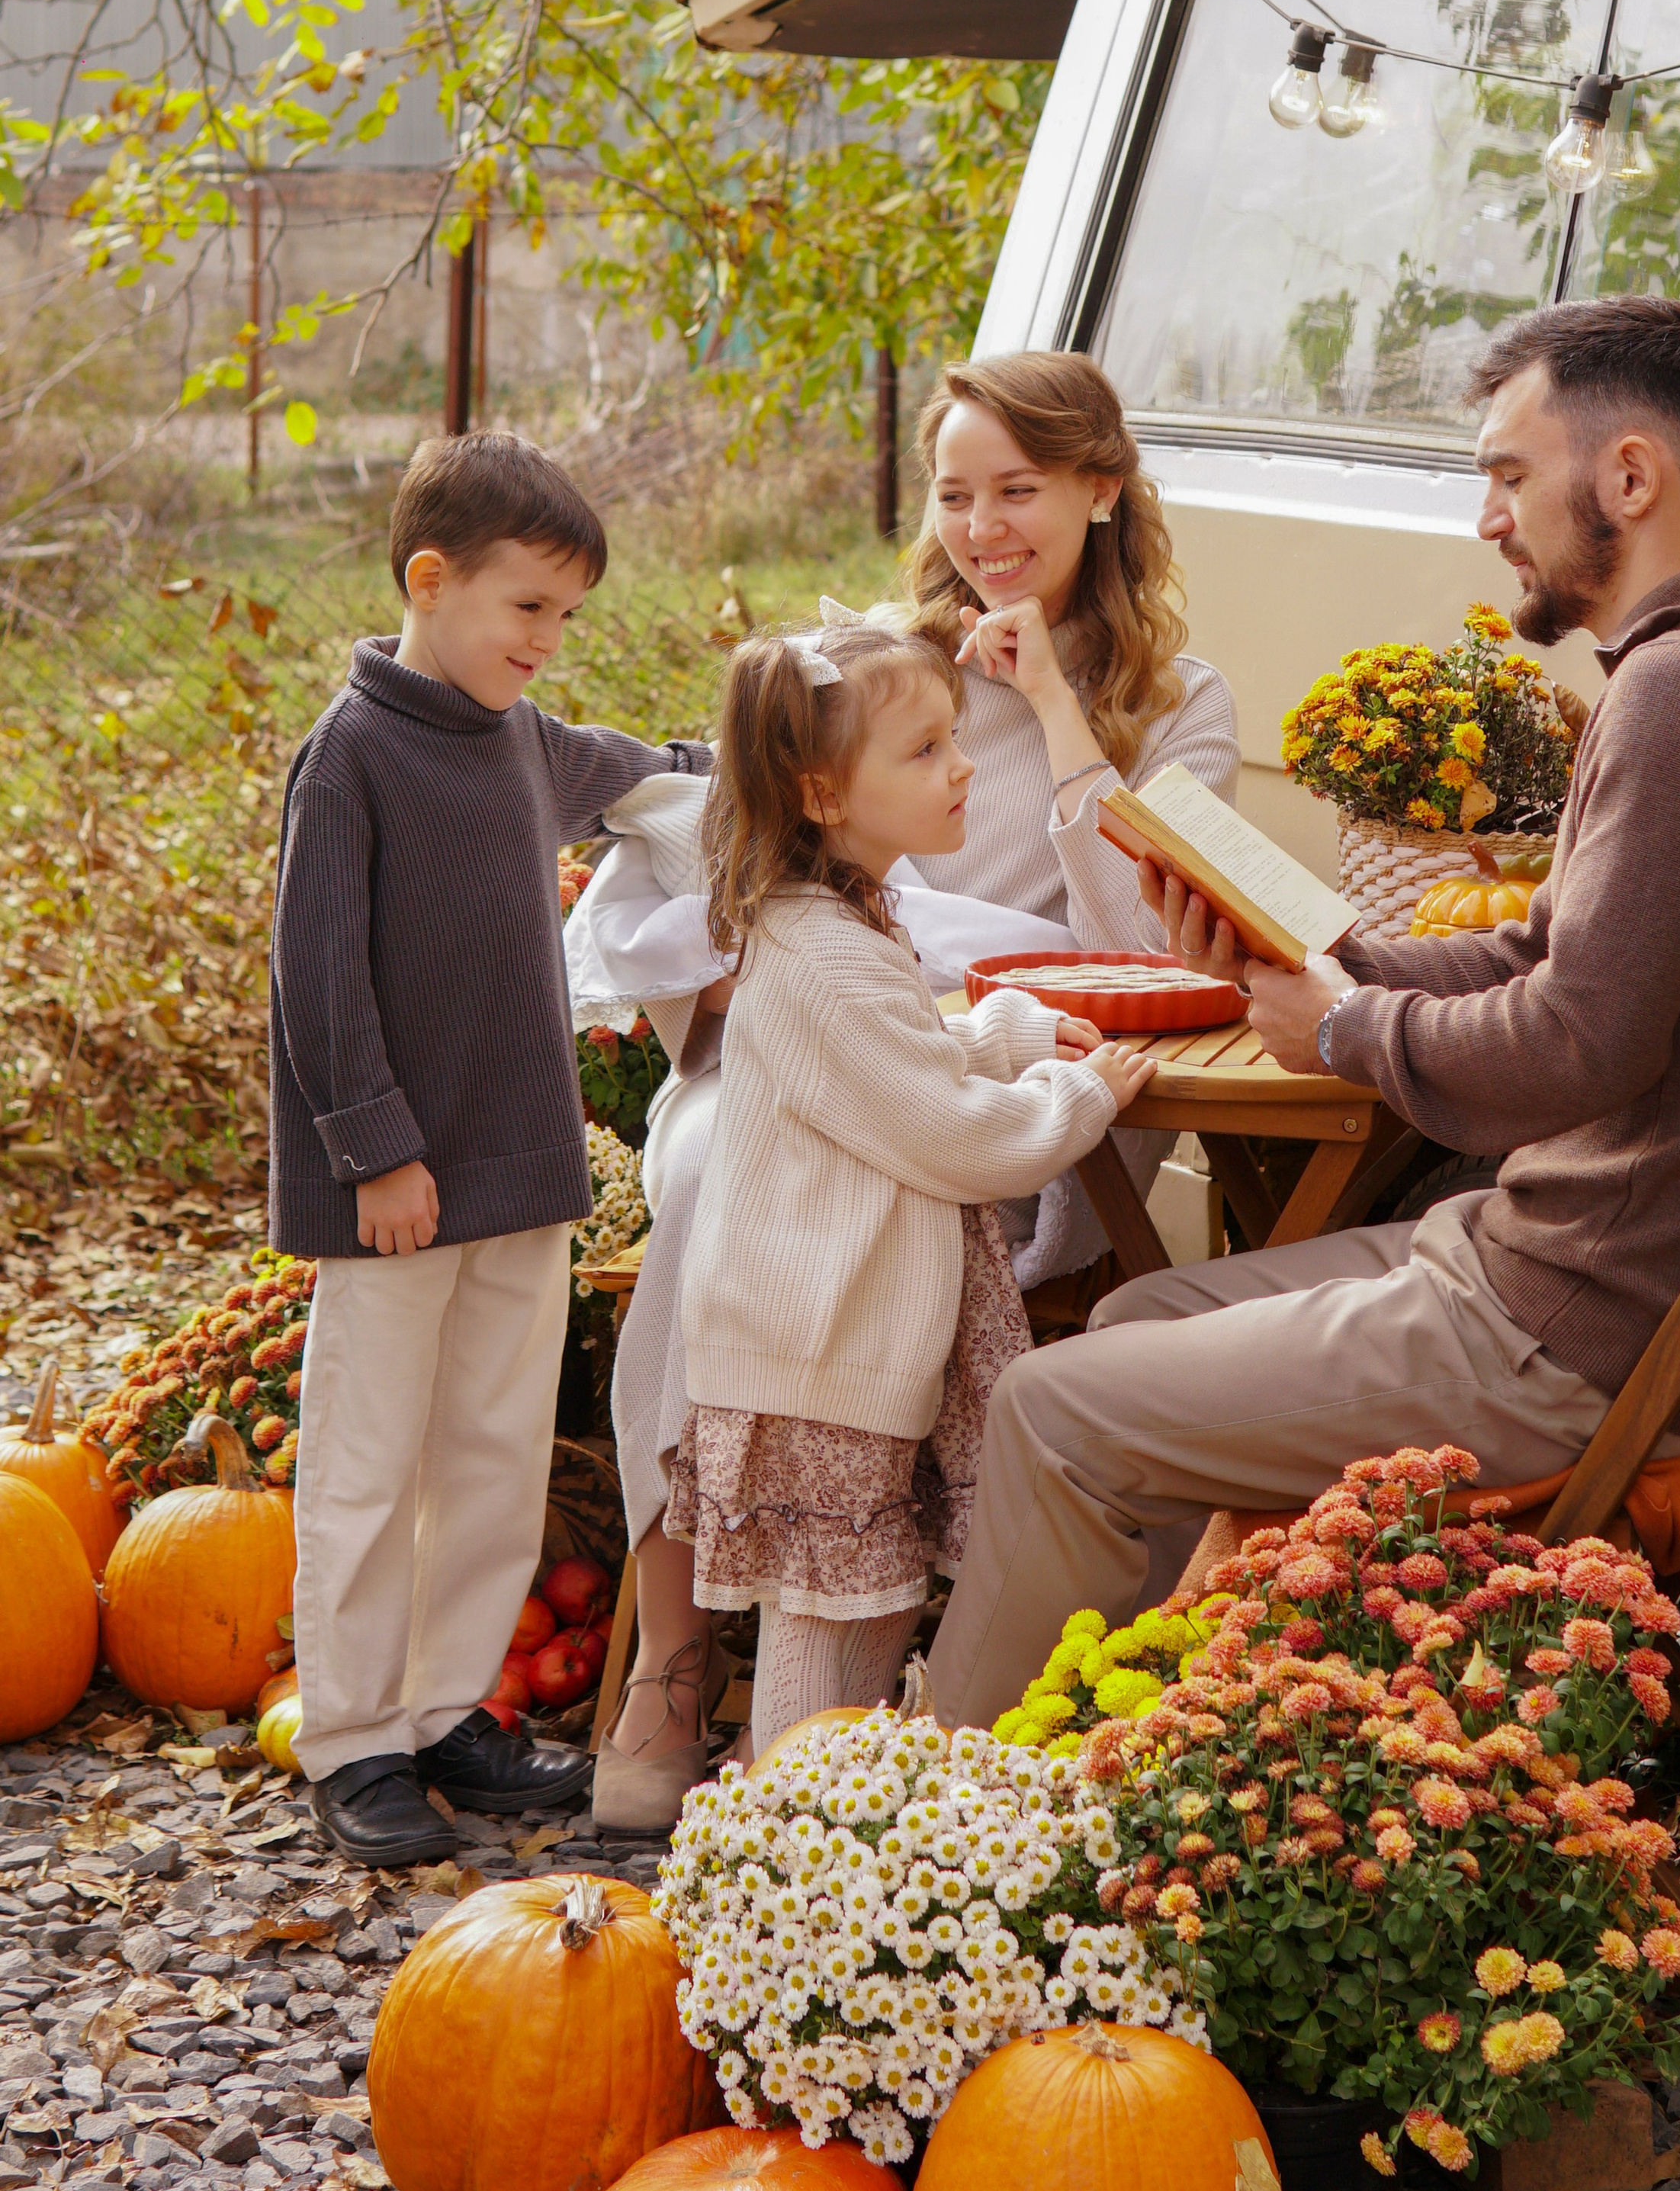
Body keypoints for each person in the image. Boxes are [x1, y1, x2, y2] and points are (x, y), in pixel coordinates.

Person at [929, 296, 1680, 1730]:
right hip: (1574, 1281)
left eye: (1508, 474)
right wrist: (1334, 955)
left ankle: (956, 1829)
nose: (1487, 517)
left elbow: (1577, 1045)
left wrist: (1342, 1031)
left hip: (1572, 1335)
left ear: (1629, 478)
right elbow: (1551, 957)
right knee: (1139, 1306)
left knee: (1048, 1409)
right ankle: (1134, 1762)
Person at [589, 347, 1238, 1828]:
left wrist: (1060, 704)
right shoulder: (880, 664)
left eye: (1018, 490)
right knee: (697, 1174)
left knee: (842, 1189)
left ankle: (847, 1666)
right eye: (953, 494)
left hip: (1005, 1059)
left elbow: (1140, 942)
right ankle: (678, 1654)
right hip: (839, 1040)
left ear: (1099, 488)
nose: (982, 527)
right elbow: (754, 849)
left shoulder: (1177, 697)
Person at [270, 432, 711, 1867]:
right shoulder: (352, 760)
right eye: (528, 608)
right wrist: (374, 1149)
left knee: (491, 1449)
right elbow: (318, 981)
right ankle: (350, 1734)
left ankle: (451, 1703)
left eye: (566, 616)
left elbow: (634, 769)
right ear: (430, 581)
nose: (549, 640)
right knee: (367, 1452)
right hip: (397, 1185)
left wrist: (731, 757)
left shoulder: (523, 740)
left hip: (520, 1170)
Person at [670, 617, 1153, 1752]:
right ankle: (781, 1829)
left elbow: (909, 1057)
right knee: (825, 1607)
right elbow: (956, 1136)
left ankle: (840, 1816)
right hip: (813, 1354)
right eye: (925, 750)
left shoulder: (836, 923)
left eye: (953, 739)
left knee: (875, 1593)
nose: (962, 765)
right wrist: (1087, 1099)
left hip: (845, 1341)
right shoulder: (823, 959)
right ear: (826, 796)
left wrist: (1015, 1027)